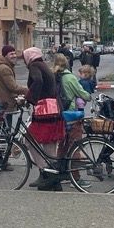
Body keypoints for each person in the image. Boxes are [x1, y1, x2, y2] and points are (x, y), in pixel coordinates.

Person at [23, 47, 64, 191]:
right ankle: (54, 179)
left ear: (29, 57)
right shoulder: (45, 66)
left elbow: (38, 81)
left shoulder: (34, 66)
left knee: (28, 140)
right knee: (50, 144)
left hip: (44, 111)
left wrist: (29, 98)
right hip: (54, 108)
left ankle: (44, 171)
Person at [53, 53, 89, 149]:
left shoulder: (53, 75)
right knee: (75, 138)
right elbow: (80, 92)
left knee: (62, 139)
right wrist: (89, 97)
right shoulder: (70, 77)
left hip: (58, 110)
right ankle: (74, 160)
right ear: (66, 63)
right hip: (71, 110)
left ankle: (61, 159)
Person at [0, 45, 26, 110]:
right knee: (7, 119)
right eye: (11, 54)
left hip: (0, 101)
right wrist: (28, 91)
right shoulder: (5, 68)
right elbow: (13, 87)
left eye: (15, 53)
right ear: (5, 56)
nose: (14, 56)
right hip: (4, 103)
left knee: (4, 119)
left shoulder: (2, 66)